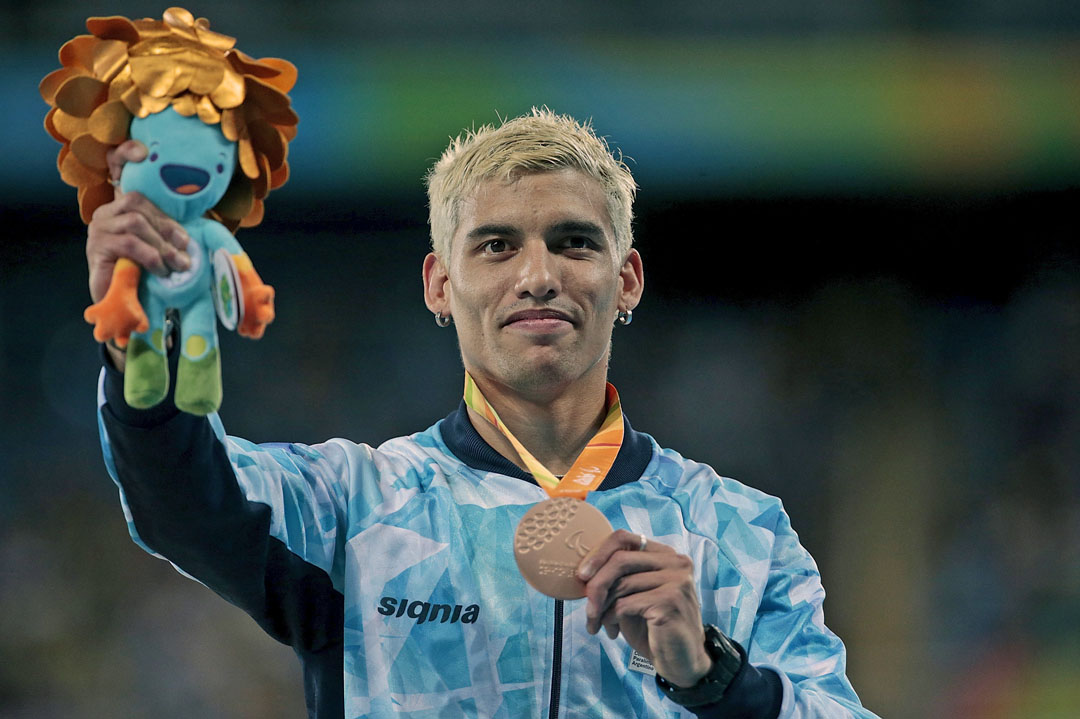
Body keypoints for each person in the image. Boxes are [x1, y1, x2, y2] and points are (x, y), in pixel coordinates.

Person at [90, 108, 880, 719]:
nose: (537, 275)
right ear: (439, 284)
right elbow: (184, 504)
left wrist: (715, 674)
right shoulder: (357, 507)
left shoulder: (740, 532)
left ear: (627, 278)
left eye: (573, 242)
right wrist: (140, 347)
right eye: (497, 246)